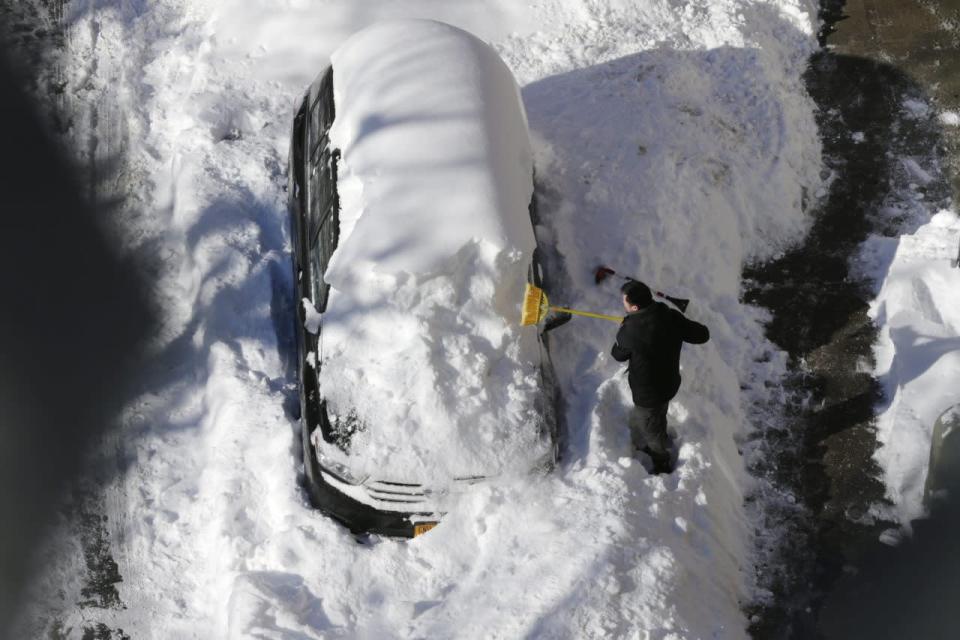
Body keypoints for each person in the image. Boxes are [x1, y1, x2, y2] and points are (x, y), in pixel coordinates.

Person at [611, 280, 709, 474]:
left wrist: (626, 327)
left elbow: (617, 354)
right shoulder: (671, 316)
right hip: (670, 382)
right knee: (658, 415)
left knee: (650, 427)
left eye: (625, 303)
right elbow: (702, 335)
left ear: (635, 307)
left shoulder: (629, 332)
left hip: (648, 394)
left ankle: (660, 458)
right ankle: (660, 434)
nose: (624, 305)